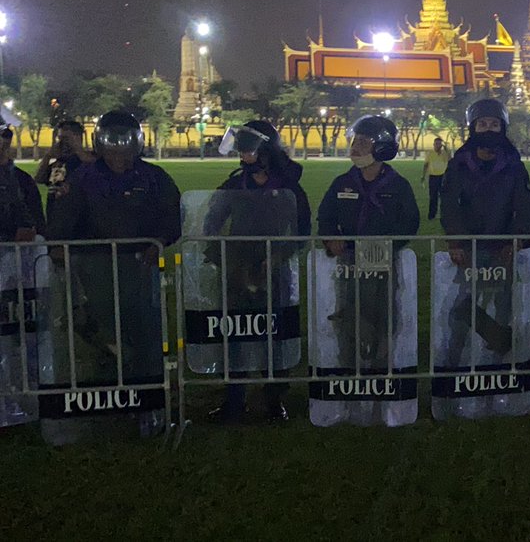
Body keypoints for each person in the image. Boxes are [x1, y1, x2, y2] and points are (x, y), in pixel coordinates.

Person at [45, 112, 180, 439]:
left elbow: (172, 216)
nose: (119, 155)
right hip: (94, 272)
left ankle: (149, 407)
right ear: (100, 146)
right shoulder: (83, 178)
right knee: (103, 341)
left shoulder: (154, 178)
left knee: (145, 338)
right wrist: (60, 249)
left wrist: (159, 242)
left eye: (125, 147)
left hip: (139, 272)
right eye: (112, 147)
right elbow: (63, 222)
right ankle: (106, 408)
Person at [205, 120, 311, 423]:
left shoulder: (288, 187)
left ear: (265, 151)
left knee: (274, 338)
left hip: (274, 271)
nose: (242, 155)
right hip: (237, 271)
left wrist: (277, 258)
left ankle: (274, 400)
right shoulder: (236, 183)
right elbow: (211, 220)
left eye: (248, 150)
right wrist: (219, 255)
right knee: (235, 335)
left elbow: (302, 230)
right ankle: (234, 400)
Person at [317, 115, 420, 387]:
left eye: (363, 142)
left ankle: (380, 372)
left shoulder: (398, 186)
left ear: (381, 148)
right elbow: (325, 216)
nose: (356, 147)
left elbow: (410, 224)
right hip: (349, 263)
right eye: (355, 141)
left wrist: (384, 245)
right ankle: (349, 370)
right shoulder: (342, 183)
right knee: (348, 314)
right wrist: (331, 239)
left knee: (382, 316)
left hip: (384, 264)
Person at [439, 98, 530, 356]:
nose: (489, 129)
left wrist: (515, 240)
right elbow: (449, 206)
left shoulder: (514, 166)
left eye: (494, 124)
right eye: (482, 124)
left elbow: (524, 206)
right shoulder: (459, 165)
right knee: (463, 307)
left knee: (504, 308)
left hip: (503, 249)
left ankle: (498, 367)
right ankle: (453, 364)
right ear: (473, 128)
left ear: (502, 127)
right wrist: (456, 242)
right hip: (469, 250)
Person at [34, 120, 95, 220]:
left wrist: (77, 149)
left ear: (78, 137)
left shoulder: (88, 160)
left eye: (66, 139)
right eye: (60, 138)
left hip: (80, 220)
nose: (62, 143)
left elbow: (93, 166)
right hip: (56, 217)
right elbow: (38, 178)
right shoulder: (58, 163)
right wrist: (47, 156)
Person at [0, 122, 44, 241]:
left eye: (6, 136)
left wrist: (28, 228)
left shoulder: (22, 179)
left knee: (39, 242)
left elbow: (36, 217)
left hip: (18, 246)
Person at [420, 136, 450, 220]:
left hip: (443, 177)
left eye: (439, 144)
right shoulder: (430, 154)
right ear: (433, 144)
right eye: (436, 144)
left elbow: (451, 160)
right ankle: (432, 215)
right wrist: (423, 175)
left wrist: (446, 149)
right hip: (433, 177)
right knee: (433, 197)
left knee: (444, 197)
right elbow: (426, 165)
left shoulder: (444, 154)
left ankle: (444, 214)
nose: (438, 145)